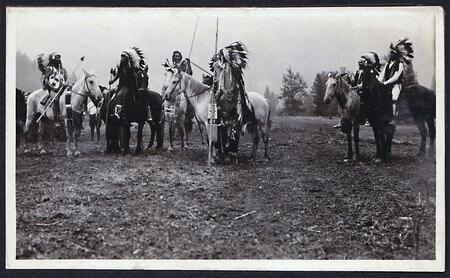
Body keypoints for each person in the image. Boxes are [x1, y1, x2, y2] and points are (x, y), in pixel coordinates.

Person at [378, 38, 414, 124]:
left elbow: (396, 77)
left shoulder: (400, 64)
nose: (390, 54)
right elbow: (382, 74)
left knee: (394, 98)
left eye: (392, 53)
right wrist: (379, 81)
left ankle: (393, 118)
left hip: (395, 85)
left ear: (396, 55)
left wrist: (385, 82)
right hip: (386, 85)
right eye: (390, 53)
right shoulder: (387, 63)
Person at [37, 52, 68, 126]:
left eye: (59, 58)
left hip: (62, 88)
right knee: (56, 99)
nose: (58, 60)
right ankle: (56, 119)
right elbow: (46, 80)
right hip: (53, 89)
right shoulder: (49, 69)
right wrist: (52, 87)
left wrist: (65, 84)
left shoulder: (62, 70)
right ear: (53, 59)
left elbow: (65, 79)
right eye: (57, 58)